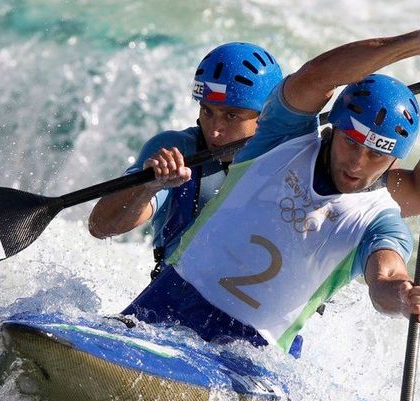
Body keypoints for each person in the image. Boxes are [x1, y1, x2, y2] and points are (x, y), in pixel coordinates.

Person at [119, 13, 420, 358]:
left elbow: (387, 273)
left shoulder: (381, 219)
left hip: (253, 353)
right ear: (333, 128)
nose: (356, 164)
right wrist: (418, 41)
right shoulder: (280, 138)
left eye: (375, 156)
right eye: (351, 143)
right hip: (169, 300)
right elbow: (318, 77)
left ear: (394, 160)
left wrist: (402, 296)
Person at [88, 42, 283, 278]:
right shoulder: (176, 150)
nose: (214, 131)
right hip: (171, 301)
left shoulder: (290, 157)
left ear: (266, 116)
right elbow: (100, 227)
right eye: (207, 111)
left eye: (232, 115)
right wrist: (147, 188)